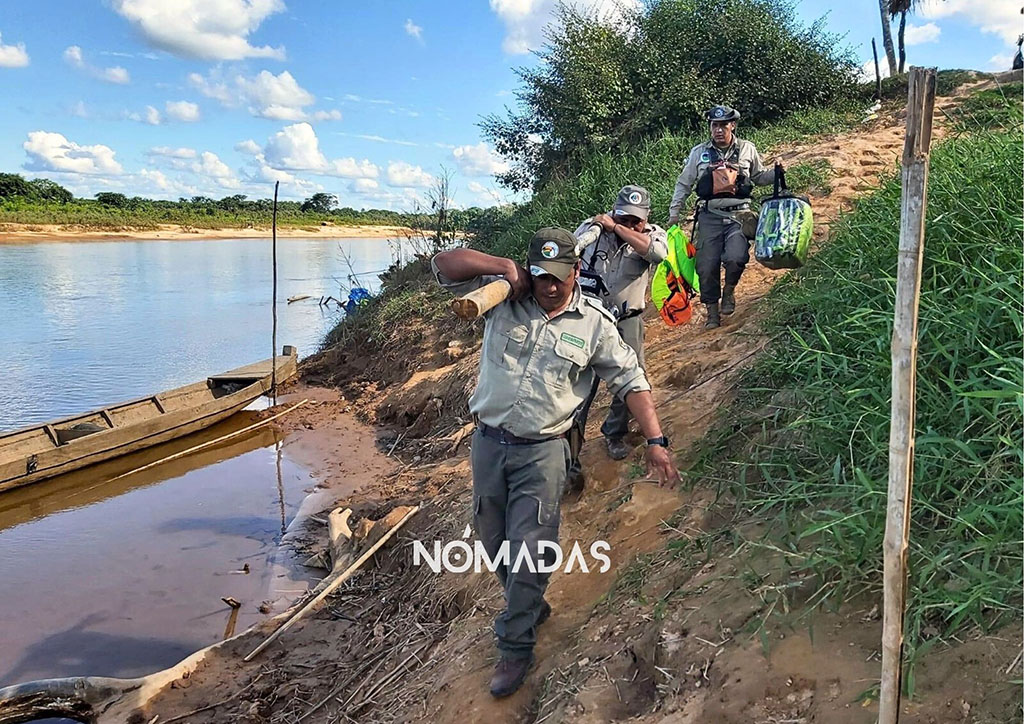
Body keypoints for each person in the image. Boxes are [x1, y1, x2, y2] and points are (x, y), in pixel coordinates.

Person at [432, 228, 680, 698]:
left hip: (543, 452)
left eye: (560, 277)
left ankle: (515, 644)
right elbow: (445, 264)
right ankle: (530, 603)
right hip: (487, 444)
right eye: (542, 275)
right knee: (493, 537)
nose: (550, 286)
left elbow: (632, 380)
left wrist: (656, 440)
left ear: (576, 272)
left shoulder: (594, 324)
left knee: (531, 543)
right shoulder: (504, 299)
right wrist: (500, 268)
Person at [569, 185, 668, 474]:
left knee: (633, 378)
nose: (629, 224)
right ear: (613, 211)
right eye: (623, 218)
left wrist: (620, 229)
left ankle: (615, 433)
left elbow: (658, 255)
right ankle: (568, 455)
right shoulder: (593, 230)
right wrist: (601, 228)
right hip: (587, 319)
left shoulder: (652, 235)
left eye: (635, 220)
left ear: (645, 218)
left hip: (627, 320)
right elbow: (568, 254)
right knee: (579, 386)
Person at [668, 105, 777, 329]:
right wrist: (674, 212)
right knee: (706, 266)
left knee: (736, 257)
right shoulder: (699, 152)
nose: (718, 130)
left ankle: (729, 291)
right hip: (710, 215)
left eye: (723, 125)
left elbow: (758, 177)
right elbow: (684, 183)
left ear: (732, 125)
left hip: (740, 215)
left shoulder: (747, 149)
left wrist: (777, 173)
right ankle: (712, 312)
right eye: (714, 125)